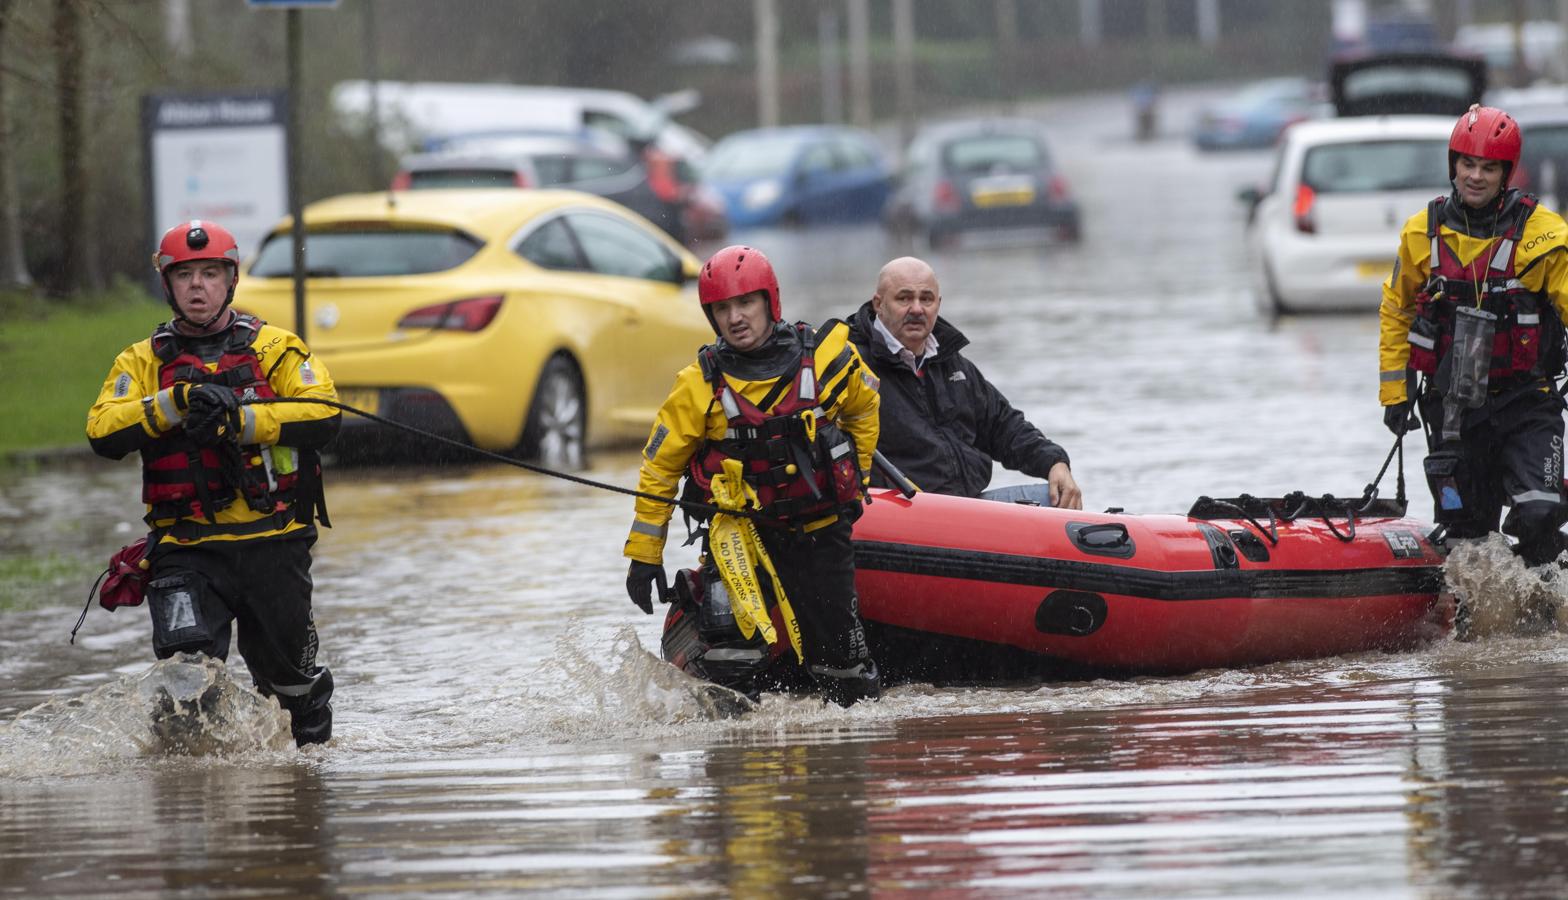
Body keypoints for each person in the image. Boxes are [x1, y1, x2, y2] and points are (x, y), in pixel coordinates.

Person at [86, 220, 341, 747]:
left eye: (210, 273)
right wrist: (173, 404)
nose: (197, 286)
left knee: (293, 685)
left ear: (231, 280)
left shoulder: (277, 347)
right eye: (185, 276)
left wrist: (242, 419)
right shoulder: (141, 361)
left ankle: (308, 788)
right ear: (168, 285)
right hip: (187, 552)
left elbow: (323, 416)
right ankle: (194, 805)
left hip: (274, 545)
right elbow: (103, 431)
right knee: (185, 692)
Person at [623, 245, 883, 706]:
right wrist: (645, 555)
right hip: (739, 539)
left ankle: (843, 759)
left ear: (770, 302)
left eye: (745, 303)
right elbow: (659, 468)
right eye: (722, 309)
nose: (735, 317)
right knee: (728, 657)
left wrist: (856, 481)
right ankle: (737, 758)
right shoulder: (696, 385)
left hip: (819, 531)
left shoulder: (826, 360)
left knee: (843, 663)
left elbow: (865, 409)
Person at [1379, 105, 1568, 568]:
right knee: (1468, 537)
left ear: (1507, 172)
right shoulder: (1420, 233)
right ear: (1453, 166)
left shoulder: (1545, 236)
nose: (1476, 177)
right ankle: (1477, 623)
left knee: (1540, 512)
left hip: (1527, 403)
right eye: (1467, 164)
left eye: (1489, 167)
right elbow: (1397, 309)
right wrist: (1394, 392)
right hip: (1453, 411)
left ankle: (1545, 612)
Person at [845, 256, 1082, 507]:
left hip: (965, 509)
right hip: (895, 513)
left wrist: (1055, 462)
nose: (916, 309)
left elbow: (1003, 425)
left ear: (938, 304)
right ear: (879, 304)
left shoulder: (953, 364)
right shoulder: (850, 364)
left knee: (1057, 498)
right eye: (904, 298)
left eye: (926, 299)